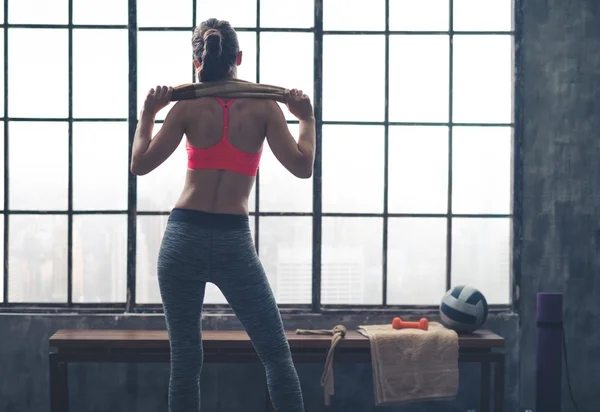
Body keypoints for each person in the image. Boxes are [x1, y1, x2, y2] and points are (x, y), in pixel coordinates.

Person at [130, 17, 314, 412]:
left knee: (185, 364)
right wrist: (306, 118)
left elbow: (139, 164)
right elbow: (303, 166)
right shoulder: (265, 106)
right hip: (232, 240)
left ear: (197, 62)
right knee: (276, 357)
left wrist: (148, 112)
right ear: (239, 58)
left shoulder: (185, 107)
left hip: (183, 239)